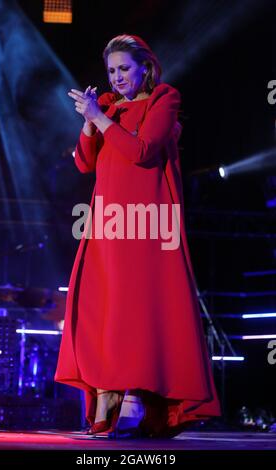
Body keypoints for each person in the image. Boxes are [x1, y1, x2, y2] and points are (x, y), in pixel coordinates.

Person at [55, 34, 221, 439]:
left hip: (146, 224)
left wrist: (100, 118)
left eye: (124, 69)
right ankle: (106, 397)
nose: (117, 78)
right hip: (108, 224)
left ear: (145, 67)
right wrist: (89, 121)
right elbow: (82, 162)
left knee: (143, 314)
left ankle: (157, 405)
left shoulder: (164, 98)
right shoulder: (108, 108)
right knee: (104, 311)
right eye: (112, 71)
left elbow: (143, 151)